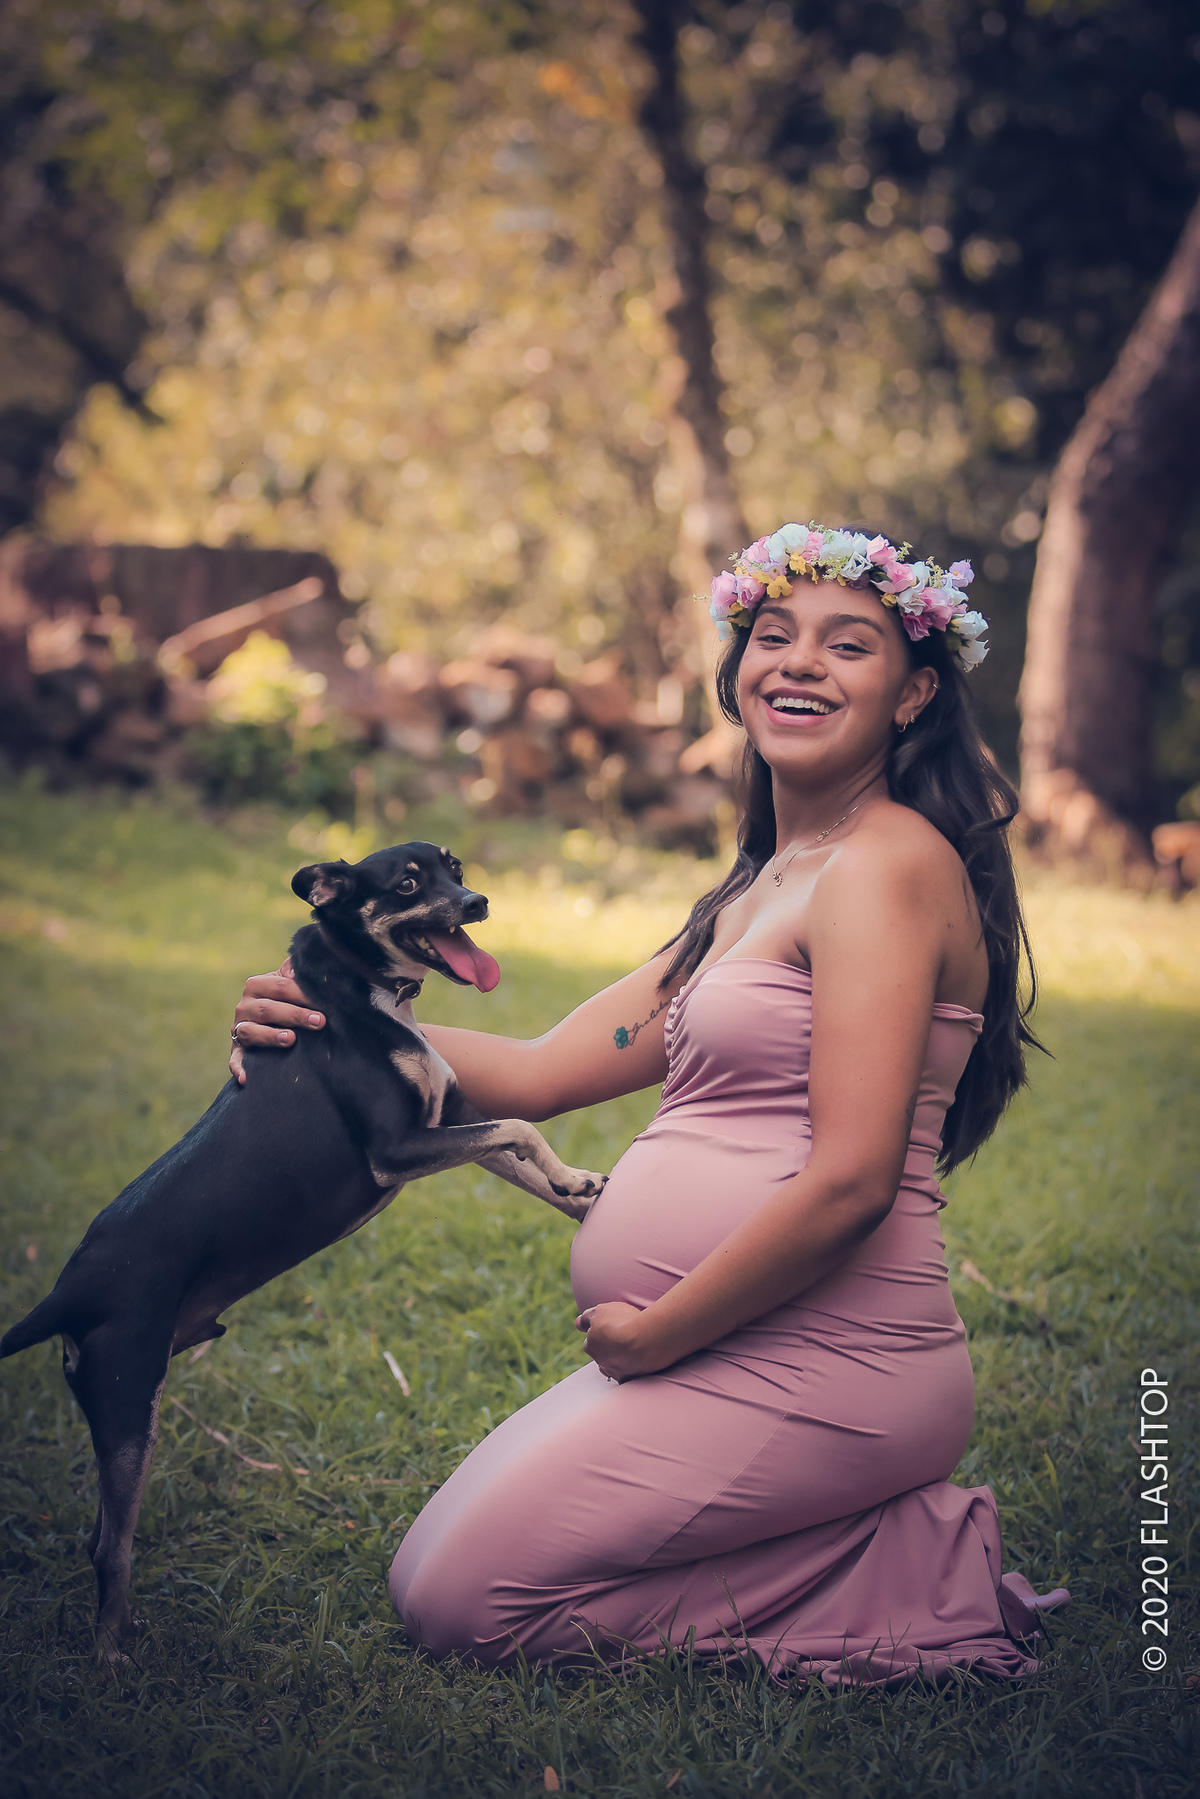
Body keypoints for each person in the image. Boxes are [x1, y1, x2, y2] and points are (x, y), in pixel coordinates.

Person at [231, 522, 1068, 1686]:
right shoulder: (765, 884)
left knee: (462, 1602)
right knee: (425, 1565)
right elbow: (537, 1066)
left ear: (915, 690)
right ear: (735, 675)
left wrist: (661, 1331)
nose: (797, 662)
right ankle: (854, 1538)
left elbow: (853, 1178)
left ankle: (908, 1574)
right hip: (730, 1348)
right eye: (772, 636)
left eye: (848, 645)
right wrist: (322, 1025)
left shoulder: (886, 865)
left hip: (827, 1351)